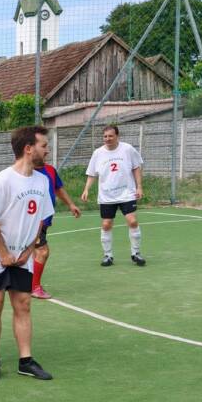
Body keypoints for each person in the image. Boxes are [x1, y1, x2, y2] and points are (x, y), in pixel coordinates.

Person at [0, 126, 55, 383]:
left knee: (23, 304)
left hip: (22, 255)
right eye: (44, 145)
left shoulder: (42, 181)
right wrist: (3, 253)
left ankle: (26, 361)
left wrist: (29, 250)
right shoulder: (3, 180)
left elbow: (40, 220)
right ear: (28, 148)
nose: (47, 150)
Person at [82, 124, 146, 267]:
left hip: (127, 193)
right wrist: (86, 189)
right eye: (105, 136)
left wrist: (139, 186)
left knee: (132, 221)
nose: (107, 139)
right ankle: (108, 255)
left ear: (117, 136)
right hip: (107, 196)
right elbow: (92, 173)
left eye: (110, 136)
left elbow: (136, 167)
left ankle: (136, 253)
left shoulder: (127, 149)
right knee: (106, 225)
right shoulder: (98, 153)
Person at [30, 161, 82, 299]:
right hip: (32, 221)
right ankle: (34, 287)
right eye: (43, 149)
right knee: (42, 251)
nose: (47, 151)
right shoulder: (26, 171)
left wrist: (71, 204)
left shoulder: (50, 170)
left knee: (33, 252)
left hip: (44, 221)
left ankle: (25, 283)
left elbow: (58, 188)